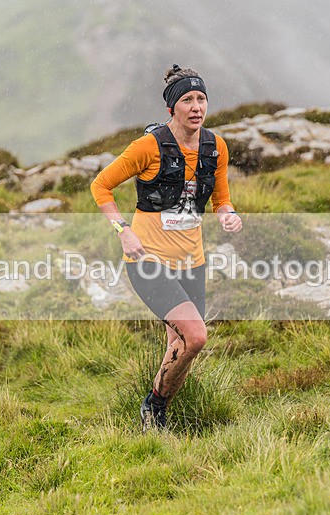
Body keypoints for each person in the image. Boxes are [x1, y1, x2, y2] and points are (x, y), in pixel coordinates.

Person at [90, 64, 242, 432]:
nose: (196, 107)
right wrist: (122, 229)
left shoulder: (215, 146)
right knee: (196, 336)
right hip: (147, 260)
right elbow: (100, 187)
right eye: (187, 100)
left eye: (201, 99)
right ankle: (153, 406)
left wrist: (228, 214)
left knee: (181, 343)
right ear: (171, 108)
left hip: (192, 260)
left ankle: (159, 416)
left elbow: (221, 198)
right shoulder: (148, 146)